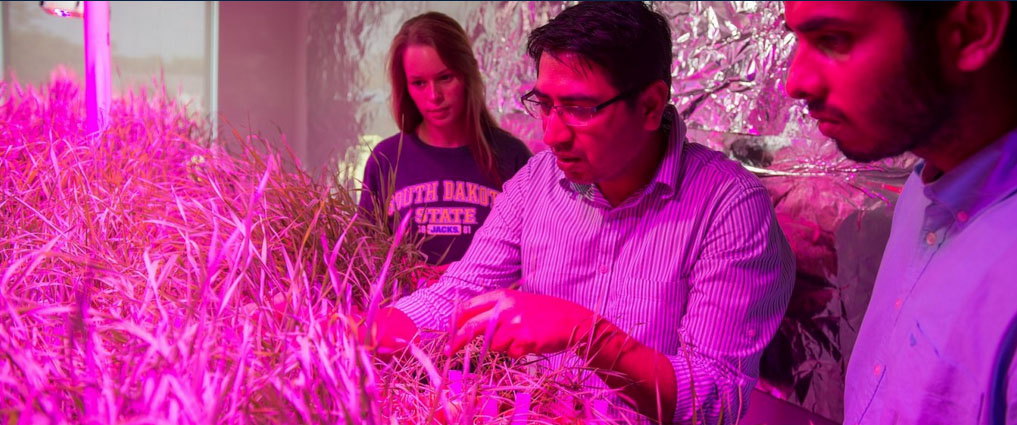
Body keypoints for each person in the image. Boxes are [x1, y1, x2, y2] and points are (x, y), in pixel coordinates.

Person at [374, 2, 795, 423]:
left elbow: (714, 401)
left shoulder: (728, 206)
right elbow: (460, 292)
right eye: (544, 104)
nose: (552, 134)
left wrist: (587, 335)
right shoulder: (537, 179)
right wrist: (363, 335)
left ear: (650, 106)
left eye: (579, 108)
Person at [784, 1, 1017, 423]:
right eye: (795, 40)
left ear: (970, 30)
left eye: (833, 40)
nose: (795, 82)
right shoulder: (923, 191)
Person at [359, 12, 532, 267]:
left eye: (445, 78)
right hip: (406, 306)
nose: (434, 96)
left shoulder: (512, 157)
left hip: (489, 306)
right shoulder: (385, 160)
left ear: (467, 74)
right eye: (419, 83)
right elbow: (365, 260)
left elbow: (534, 258)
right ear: (405, 86)